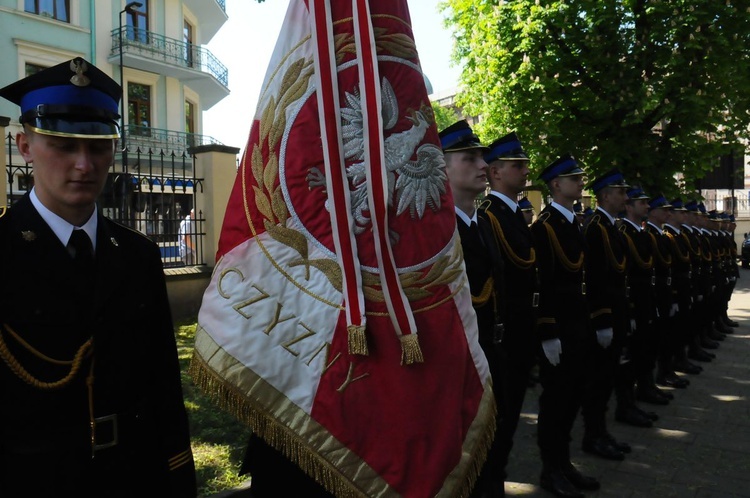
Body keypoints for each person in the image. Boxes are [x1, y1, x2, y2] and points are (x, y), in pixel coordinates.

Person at [0, 57, 197, 497]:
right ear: (24, 145)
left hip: (134, 477)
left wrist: (178, 478)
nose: (85, 165)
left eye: (97, 146)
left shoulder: (137, 255)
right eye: (64, 146)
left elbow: (163, 384)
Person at [440, 120, 506, 498]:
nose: (483, 165)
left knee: (497, 449)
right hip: (460, 364)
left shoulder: (484, 223)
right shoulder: (438, 232)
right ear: (442, 167)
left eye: (482, 157)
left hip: (495, 353)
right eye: (470, 158)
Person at [531, 154, 599, 498]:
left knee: (574, 397)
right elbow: (541, 282)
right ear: (556, 185)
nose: (580, 182)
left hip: (578, 325)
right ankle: (550, 469)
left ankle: (565, 462)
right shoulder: (544, 228)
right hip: (558, 329)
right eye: (574, 179)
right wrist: (547, 331)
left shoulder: (573, 222)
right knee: (555, 402)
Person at [479, 131, 539, 496]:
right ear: (496, 172)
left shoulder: (513, 214)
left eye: (525, 164)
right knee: (498, 425)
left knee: (512, 419)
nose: (524, 170)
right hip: (506, 334)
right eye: (517, 165)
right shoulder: (490, 216)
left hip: (523, 331)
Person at [580, 169, 642, 462]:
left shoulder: (611, 226)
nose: (625, 197)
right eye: (620, 192)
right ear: (606, 195)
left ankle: (601, 433)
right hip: (605, 317)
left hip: (618, 312)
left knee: (608, 379)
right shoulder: (596, 228)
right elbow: (596, 278)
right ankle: (593, 436)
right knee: (599, 381)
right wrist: (603, 320)